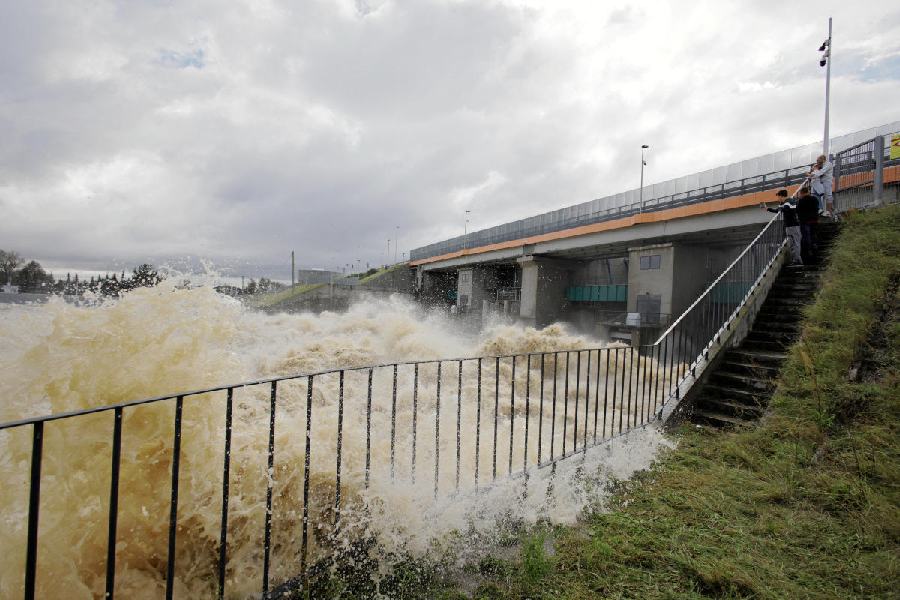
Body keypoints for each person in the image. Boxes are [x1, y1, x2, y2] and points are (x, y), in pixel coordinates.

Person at [764, 189, 802, 265]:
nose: (777, 198)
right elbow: (778, 210)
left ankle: (797, 260)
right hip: (788, 226)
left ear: (781, 196)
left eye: (778, 196)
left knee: (796, 243)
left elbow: (785, 209)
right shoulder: (785, 203)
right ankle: (796, 259)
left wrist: (781, 205)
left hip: (794, 226)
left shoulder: (789, 201)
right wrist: (768, 209)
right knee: (792, 244)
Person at [796, 186, 819, 263]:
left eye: (800, 194)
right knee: (813, 234)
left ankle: (808, 251)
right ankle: (815, 246)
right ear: (808, 192)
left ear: (802, 193)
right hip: (814, 220)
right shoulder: (815, 199)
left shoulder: (801, 201)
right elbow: (817, 209)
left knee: (806, 236)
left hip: (805, 221)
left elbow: (798, 211)